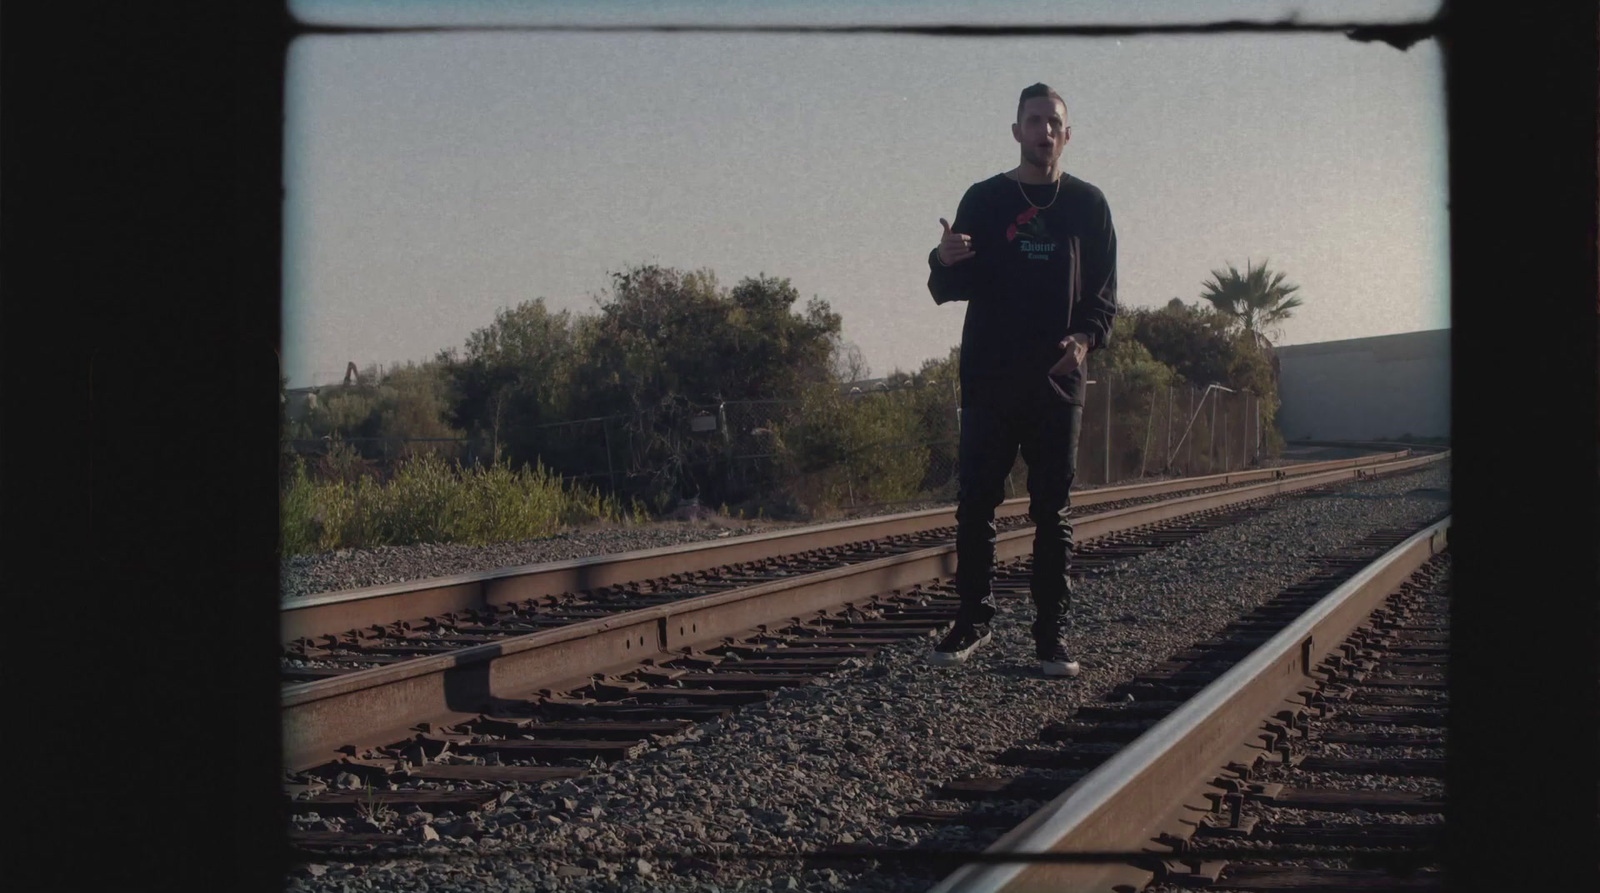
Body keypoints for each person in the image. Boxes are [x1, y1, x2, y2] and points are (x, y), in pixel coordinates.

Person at [925, 83, 1117, 677]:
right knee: (975, 504)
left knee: (1051, 511)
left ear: (1066, 134)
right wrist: (943, 257)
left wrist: (1083, 341)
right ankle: (972, 621)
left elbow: (1104, 300)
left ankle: (1050, 635)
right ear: (1017, 132)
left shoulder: (1088, 205)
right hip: (989, 377)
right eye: (1033, 121)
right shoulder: (984, 199)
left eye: (1053, 122)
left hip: (1058, 383)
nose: (1044, 130)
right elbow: (948, 286)